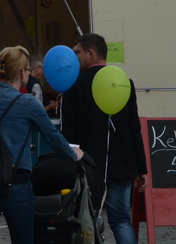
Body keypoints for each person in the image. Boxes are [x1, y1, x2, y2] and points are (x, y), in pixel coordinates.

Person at [0, 46, 82, 244]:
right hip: (16, 182)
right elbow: (53, 137)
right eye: (28, 69)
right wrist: (74, 154)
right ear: (21, 72)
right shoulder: (27, 103)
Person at [60, 34, 144, 244]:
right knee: (121, 220)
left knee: (85, 219)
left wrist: (69, 164)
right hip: (122, 164)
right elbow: (134, 127)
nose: (75, 57)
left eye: (78, 52)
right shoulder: (124, 84)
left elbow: (68, 132)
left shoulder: (74, 86)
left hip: (88, 165)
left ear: (90, 53)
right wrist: (141, 167)